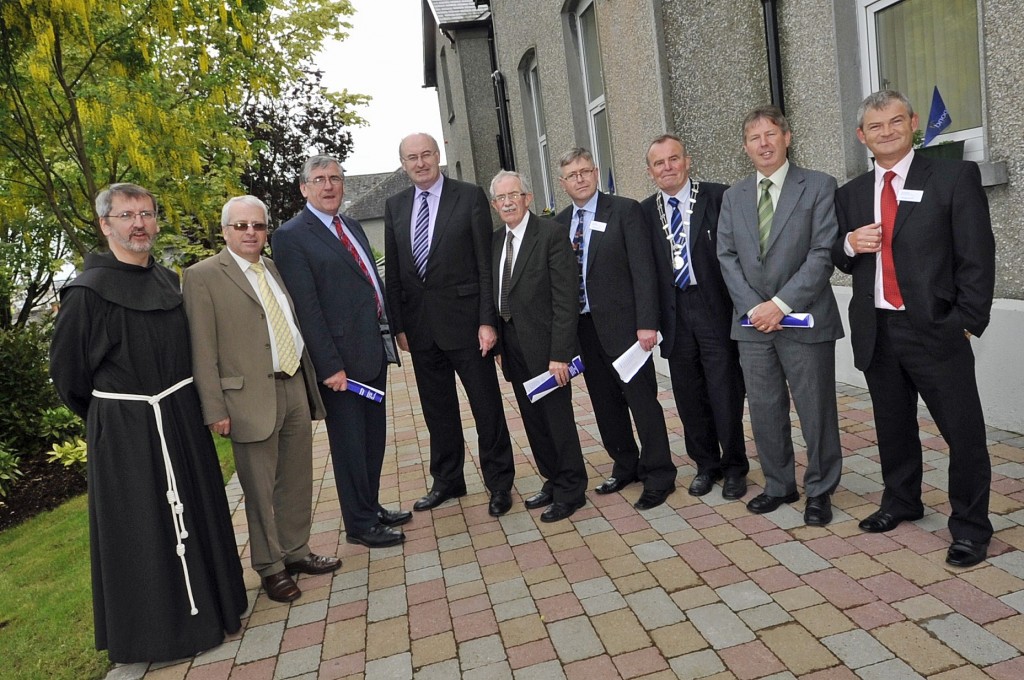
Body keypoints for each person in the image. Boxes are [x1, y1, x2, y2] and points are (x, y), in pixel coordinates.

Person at [49, 183, 247, 663]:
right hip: (126, 430)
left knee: (197, 511)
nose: (139, 224)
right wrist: (118, 415)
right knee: (144, 528)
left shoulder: (166, 280)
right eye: (126, 215)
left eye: (147, 214)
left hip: (179, 415)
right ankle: (160, 635)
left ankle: (215, 608)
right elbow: (68, 376)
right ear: (105, 225)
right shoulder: (86, 293)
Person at [832, 90, 996, 567]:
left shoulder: (952, 177)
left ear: (913, 123)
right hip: (878, 329)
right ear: (862, 136)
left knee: (963, 433)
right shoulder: (851, 193)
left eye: (895, 121)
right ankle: (902, 500)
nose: (886, 132)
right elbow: (839, 257)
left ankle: (970, 528)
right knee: (893, 425)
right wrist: (849, 243)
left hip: (936, 328)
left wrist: (967, 321)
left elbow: (977, 254)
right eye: (875, 126)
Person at [182, 195, 340, 604]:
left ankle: (296, 550)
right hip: (246, 399)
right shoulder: (202, 276)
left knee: (297, 479)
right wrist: (214, 408)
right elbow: (202, 349)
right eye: (241, 226)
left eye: (258, 225)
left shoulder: (271, 267)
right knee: (259, 489)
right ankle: (271, 567)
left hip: (292, 385)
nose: (250, 232)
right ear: (225, 231)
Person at [273, 156, 409, 548]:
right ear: (304, 188)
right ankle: (360, 524)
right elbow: (306, 307)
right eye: (319, 179)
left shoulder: (350, 225)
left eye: (334, 177)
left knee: (372, 438)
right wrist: (329, 366)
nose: (329, 185)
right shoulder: (291, 236)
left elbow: (368, 281)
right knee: (350, 444)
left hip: (371, 350)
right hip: (340, 365)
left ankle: (371, 505)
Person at [717, 106, 844, 526]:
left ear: (787, 138)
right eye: (754, 138)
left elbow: (823, 252)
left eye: (771, 134)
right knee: (765, 409)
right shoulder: (734, 197)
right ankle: (778, 484)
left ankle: (820, 489)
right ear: (745, 147)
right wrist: (756, 308)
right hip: (752, 325)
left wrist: (781, 305)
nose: (764, 144)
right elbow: (727, 256)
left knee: (816, 410)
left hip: (804, 318)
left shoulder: (819, 185)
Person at [384, 133, 516, 518]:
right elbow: (395, 271)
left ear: (438, 155)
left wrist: (487, 321)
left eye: (426, 154)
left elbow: (484, 265)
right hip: (421, 328)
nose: (420, 163)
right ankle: (447, 480)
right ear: (404, 164)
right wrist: (399, 325)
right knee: (436, 410)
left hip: (468, 326)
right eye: (412, 157)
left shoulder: (469, 196)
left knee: (486, 407)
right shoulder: (395, 205)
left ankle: (499, 483)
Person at [555, 148, 676, 510]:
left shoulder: (624, 210)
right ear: (562, 183)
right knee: (605, 405)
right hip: (584, 331)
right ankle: (626, 466)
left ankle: (659, 475)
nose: (580, 179)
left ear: (595, 172)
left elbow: (643, 269)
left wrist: (647, 323)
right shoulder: (559, 224)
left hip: (626, 330)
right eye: (572, 175)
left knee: (642, 403)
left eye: (585, 171)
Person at [640, 135, 749, 500]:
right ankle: (706, 465)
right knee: (688, 395)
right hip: (674, 313)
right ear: (650, 171)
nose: (667, 167)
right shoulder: (645, 212)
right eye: (659, 163)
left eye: (674, 159)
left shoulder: (718, 197)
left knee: (725, 391)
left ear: (687, 161)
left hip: (713, 307)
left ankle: (734, 467)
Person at [489, 170, 589, 522]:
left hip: (548, 350)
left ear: (527, 198)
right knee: (533, 421)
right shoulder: (495, 241)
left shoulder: (550, 234)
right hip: (513, 348)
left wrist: (560, 354)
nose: (507, 203)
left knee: (557, 420)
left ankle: (571, 490)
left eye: (513, 195)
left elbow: (565, 299)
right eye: (501, 198)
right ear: (494, 205)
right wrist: (499, 347)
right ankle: (553, 478)